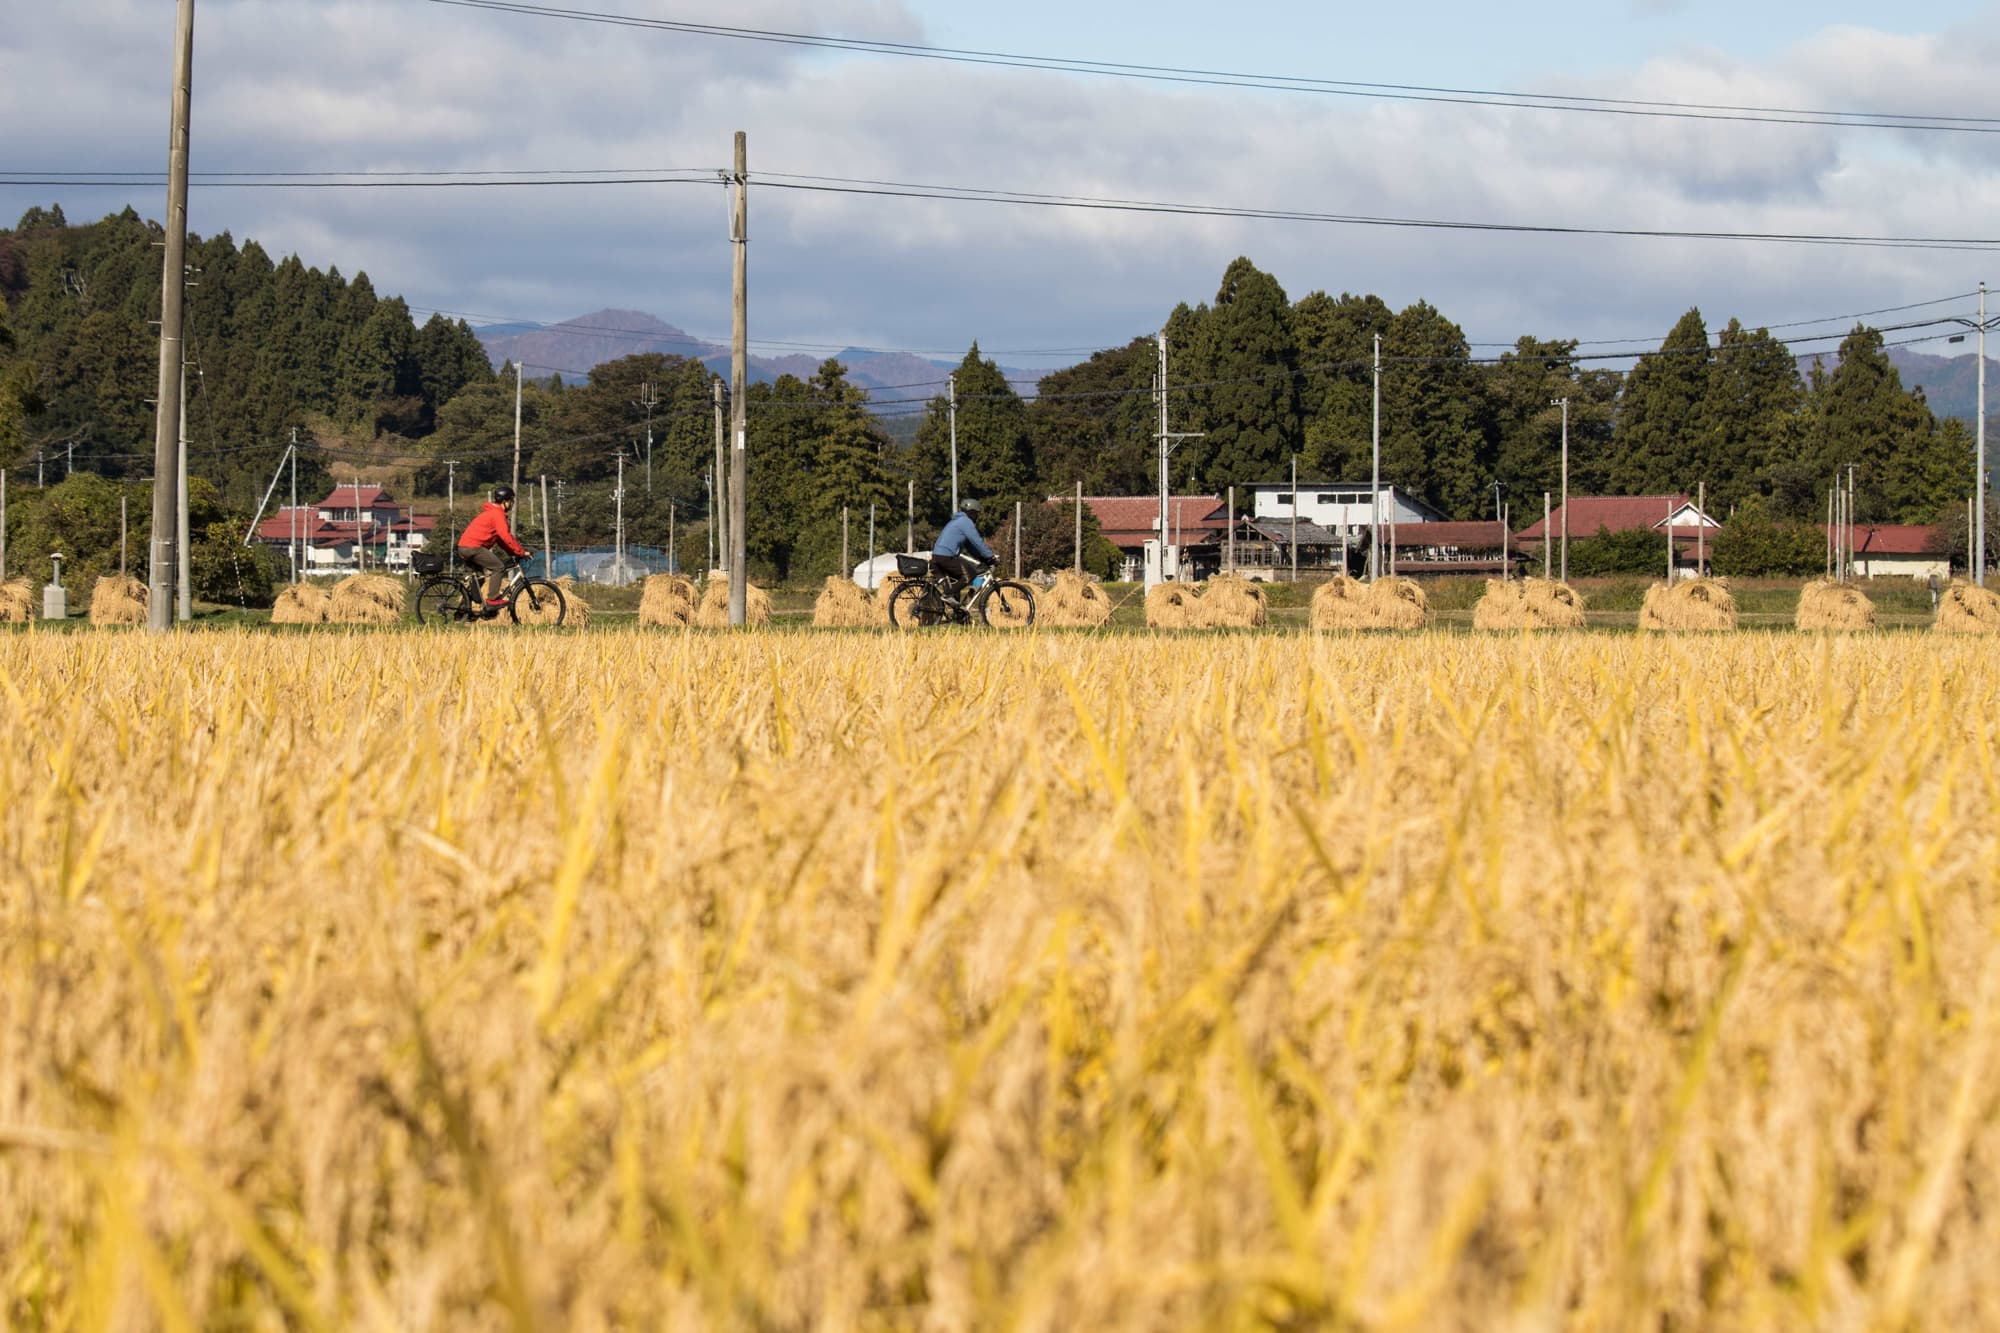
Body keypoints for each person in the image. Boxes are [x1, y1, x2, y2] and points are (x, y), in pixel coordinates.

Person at [456, 485, 532, 615]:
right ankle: (492, 600)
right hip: (473, 548)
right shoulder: (498, 514)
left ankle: (462, 611)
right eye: (511, 501)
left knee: (478, 580)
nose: (512, 504)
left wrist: (513, 553)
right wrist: (521, 552)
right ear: (505, 501)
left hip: (465, 547)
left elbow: (500, 540)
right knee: (498, 567)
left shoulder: (492, 513)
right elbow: (506, 536)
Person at [931, 497, 996, 601]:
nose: (977, 517)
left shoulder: (957, 521)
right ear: (971, 513)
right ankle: (947, 595)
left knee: (957, 581)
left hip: (938, 556)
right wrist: (990, 556)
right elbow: (977, 541)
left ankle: (957, 608)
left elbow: (970, 546)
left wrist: (981, 558)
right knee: (970, 574)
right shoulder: (965, 522)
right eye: (976, 514)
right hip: (946, 557)